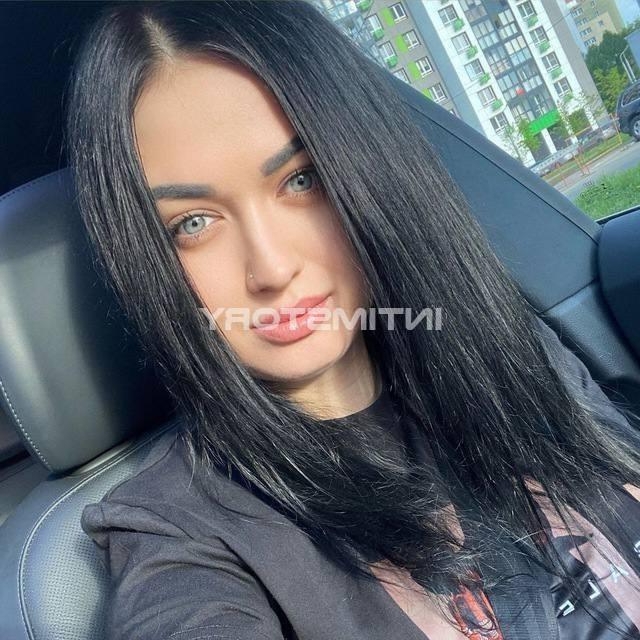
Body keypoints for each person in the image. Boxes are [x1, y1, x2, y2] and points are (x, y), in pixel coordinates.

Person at [64, 1, 640, 638]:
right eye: (193, 223)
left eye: (302, 180)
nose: (271, 267)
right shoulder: (182, 534)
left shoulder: (502, 354)